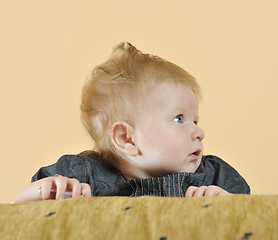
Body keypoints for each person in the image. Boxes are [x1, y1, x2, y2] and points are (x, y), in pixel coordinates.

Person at [13, 42, 250, 202]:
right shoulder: (83, 175)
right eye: (179, 119)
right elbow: (16, 209)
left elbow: (252, 216)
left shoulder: (213, 176)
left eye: (195, 120)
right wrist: (47, 190)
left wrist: (226, 202)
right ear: (127, 139)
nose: (199, 132)